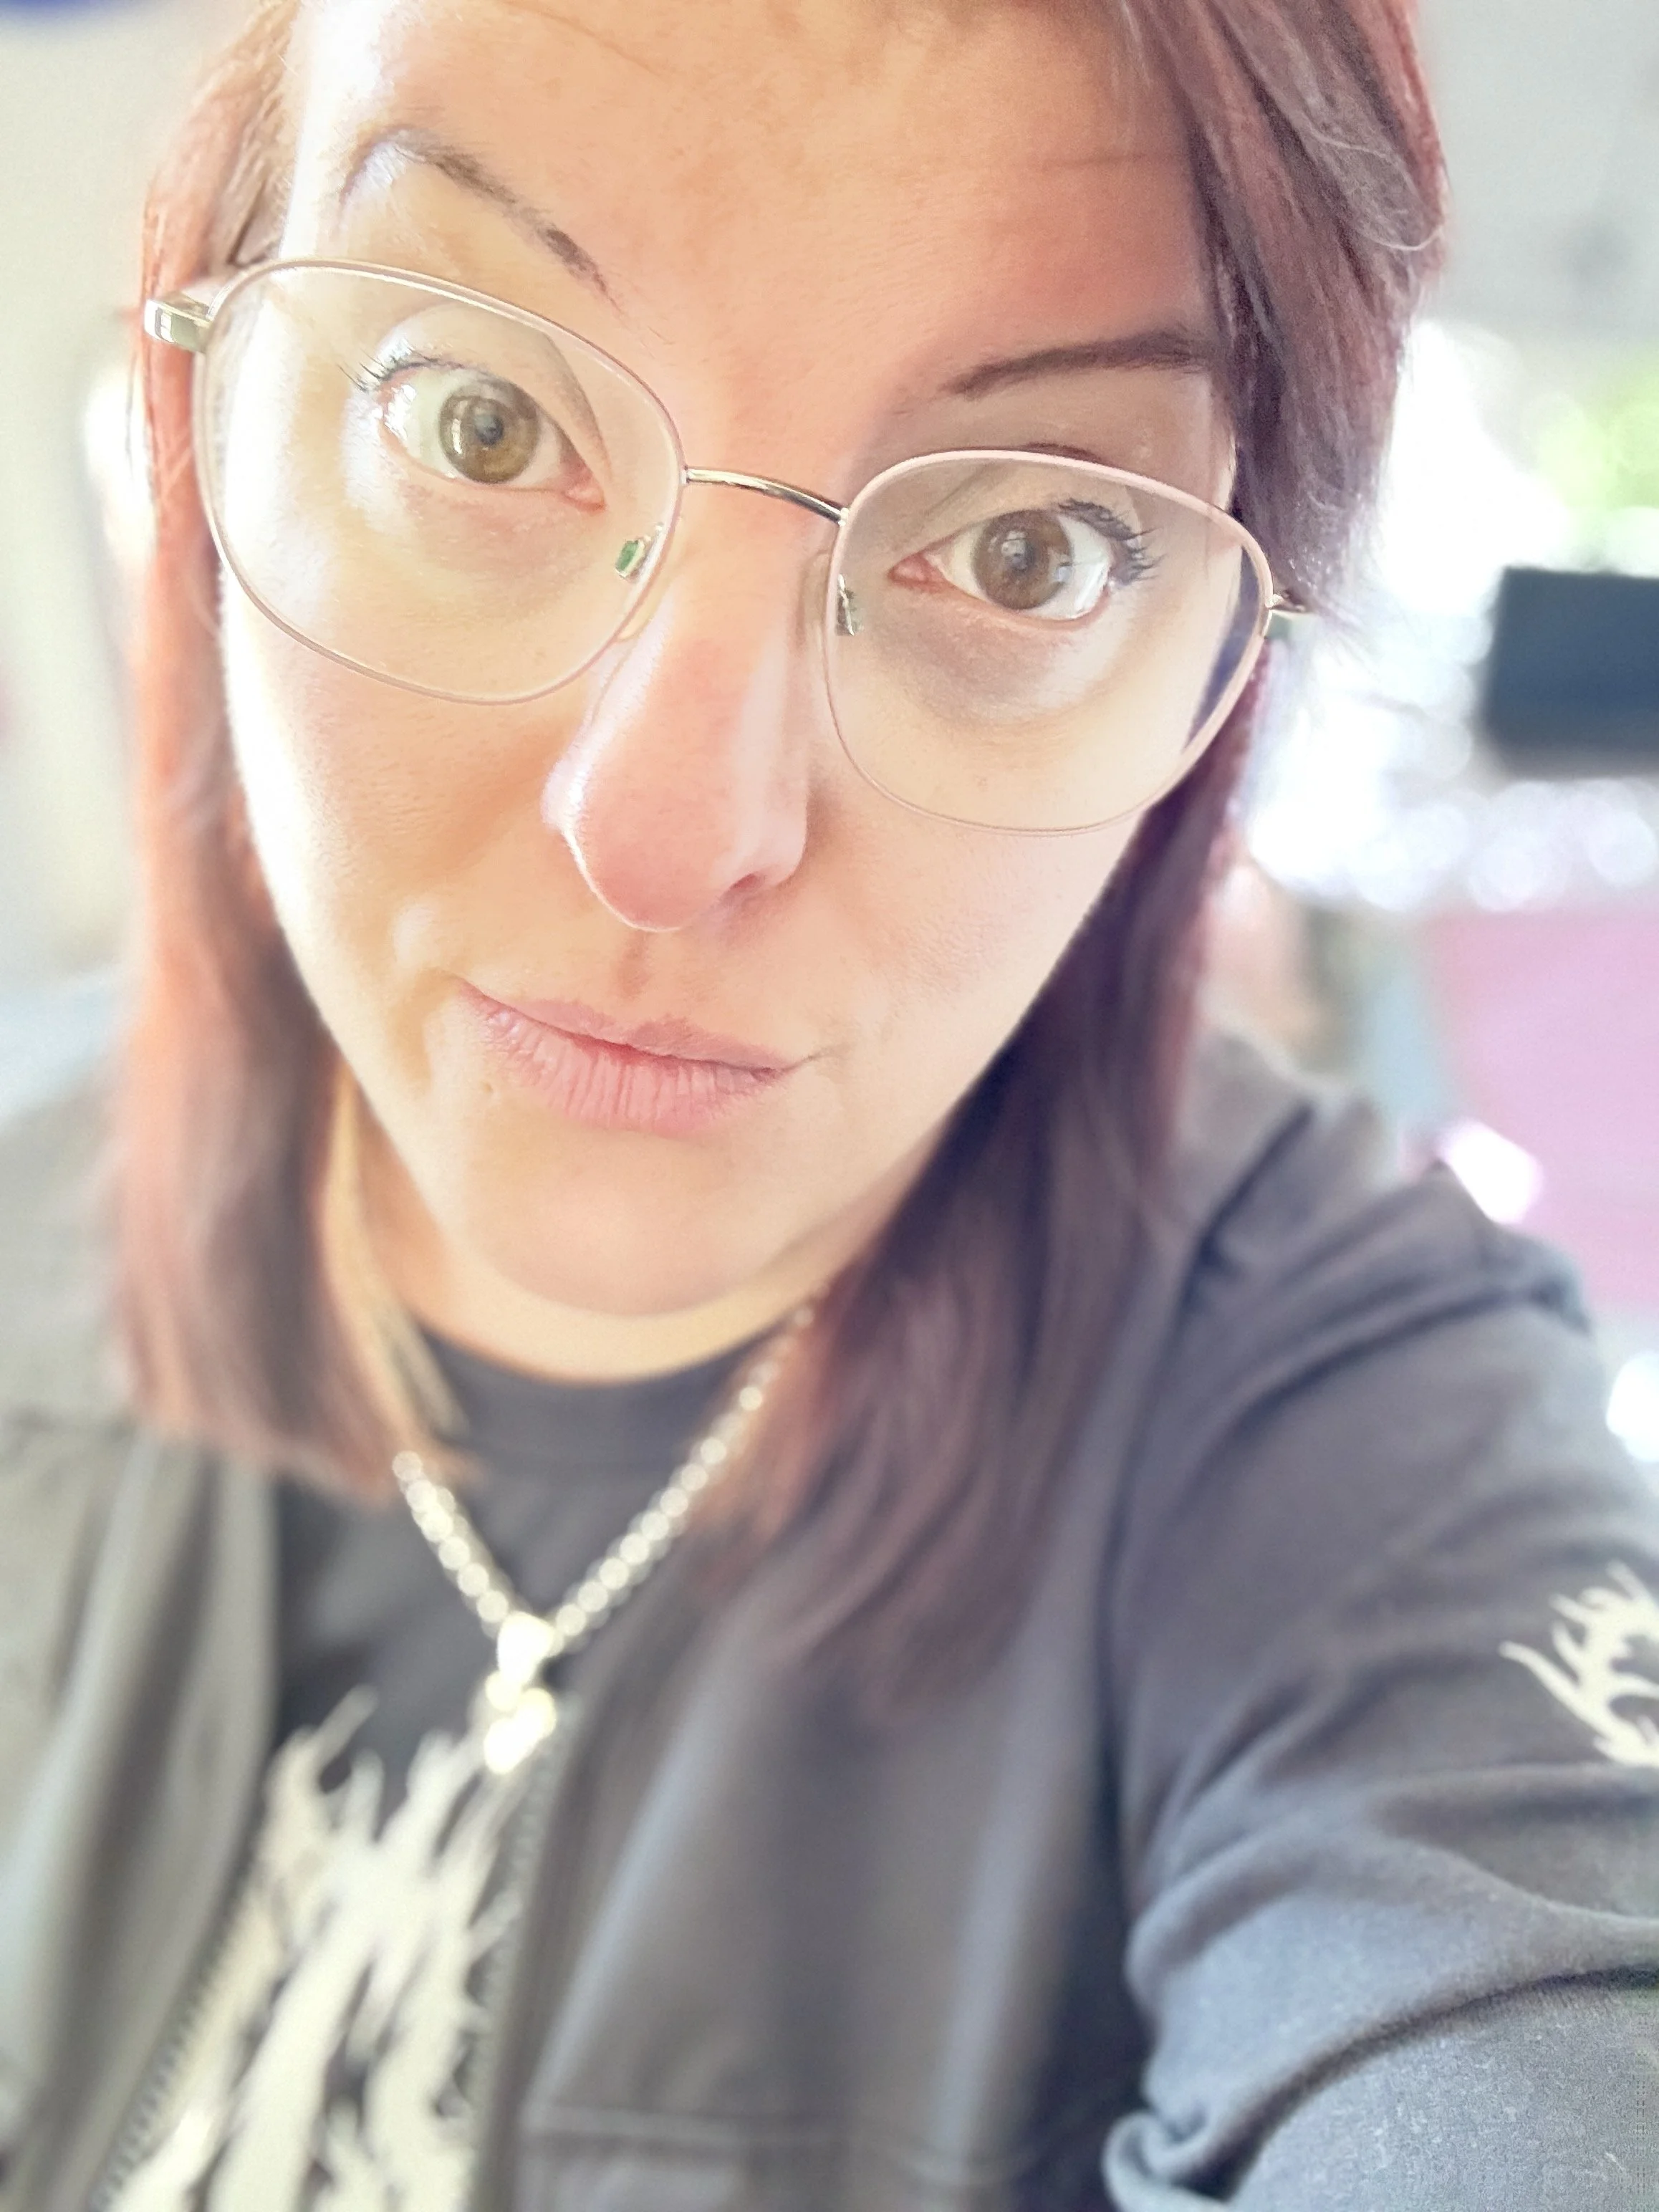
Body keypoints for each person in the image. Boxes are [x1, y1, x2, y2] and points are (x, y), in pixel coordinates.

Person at [1, 0, 1656, 2203]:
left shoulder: (1351, 1432)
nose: (674, 830)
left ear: (1206, 694)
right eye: (481, 420)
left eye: (1029, 552)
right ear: (201, 424)